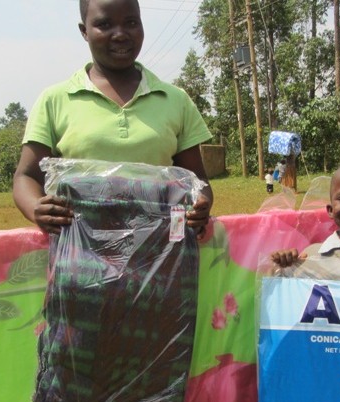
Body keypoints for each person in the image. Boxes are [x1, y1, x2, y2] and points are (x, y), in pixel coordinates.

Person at [12, 0, 213, 236]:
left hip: (161, 250)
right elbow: (26, 176)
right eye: (104, 25)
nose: (120, 34)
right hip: (82, 251)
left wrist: (200, 205)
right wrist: (35, 206)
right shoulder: (54, 100)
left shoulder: (176, 100)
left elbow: (197, 180)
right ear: (84, 31)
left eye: (131, 22)